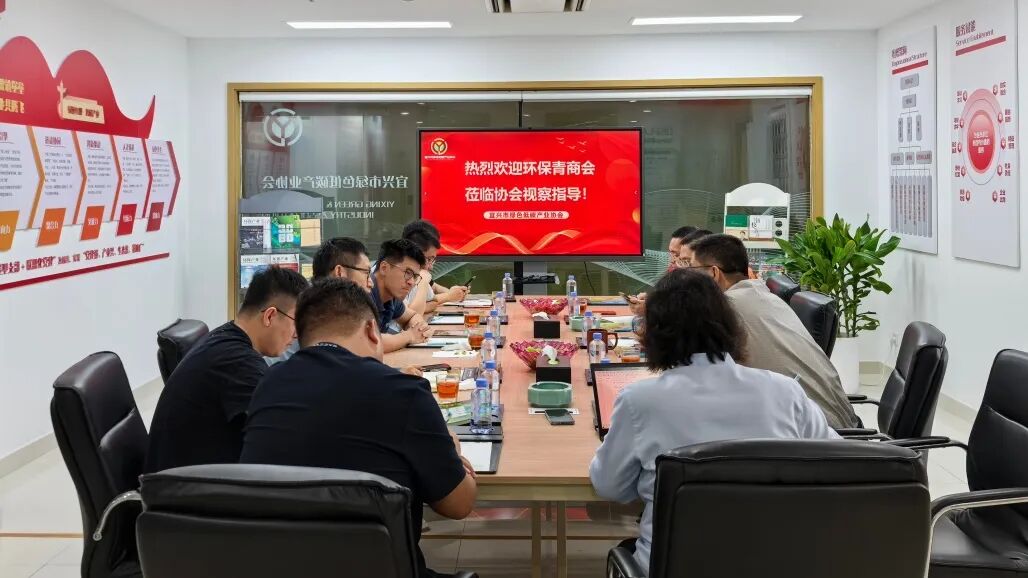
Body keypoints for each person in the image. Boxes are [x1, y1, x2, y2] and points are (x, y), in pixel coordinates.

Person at [590, 269, 839, 575]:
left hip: (674, 566)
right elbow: (836, 461)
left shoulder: (639, 400)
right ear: (730, 326)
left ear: (653, 333)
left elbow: (610, 487)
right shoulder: (784, 391)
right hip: (776, 563)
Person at [240, 278, 477, 578]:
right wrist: (452, 453)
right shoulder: (405, 393)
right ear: (371, 330)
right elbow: (459, 505)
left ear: (301, 333)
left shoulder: (268, 384)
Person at [144, 266, 309, 473]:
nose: (297, 335)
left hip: (184, 475)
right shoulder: (238, 362)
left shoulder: (227, 338)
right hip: (182, 487)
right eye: (297, 323)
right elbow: (279, 436)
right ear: (269, 316)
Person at [687, 234, 859, 429]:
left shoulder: (726, 308)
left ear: (714, 273)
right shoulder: (766, 297)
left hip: (817, 435)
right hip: (838, 423)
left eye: (692, 269)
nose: (687, 277)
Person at [629, 227, 710, 315]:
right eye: (671, 253)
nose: (672, 260)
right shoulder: (675, 273)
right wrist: (653, 298)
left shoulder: (703, 284)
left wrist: (651, 309)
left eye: (677, 255)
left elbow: (688, 313)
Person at [373, 239, 434, 353]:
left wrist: (420, 330)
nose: (411, 282)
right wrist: (409, 336)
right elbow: (368, 343)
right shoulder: (360, 293)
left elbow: (411, 316)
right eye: (408, 273)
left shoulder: (390, 296)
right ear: (384, 268)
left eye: (415, 276)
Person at [402, 227, 469, 315]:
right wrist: (448, 296)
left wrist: (456, 293)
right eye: (429, 259)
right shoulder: (399, 276)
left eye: (432, 260)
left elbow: (433, 301)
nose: (431, 267)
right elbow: (412, 312)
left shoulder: (418, 275)